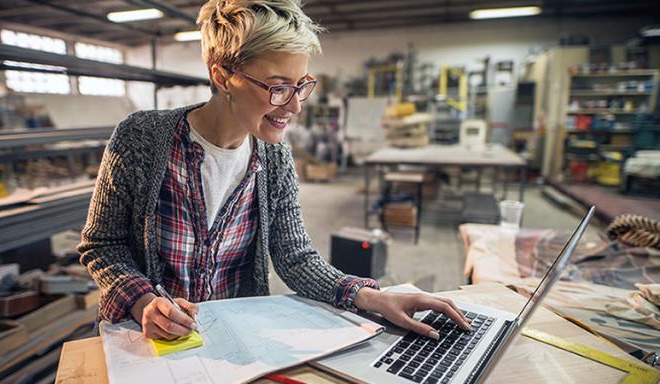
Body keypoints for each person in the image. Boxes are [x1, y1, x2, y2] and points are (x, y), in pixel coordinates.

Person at [78, 0, 469, 341]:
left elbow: (295, 256)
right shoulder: (142, 138)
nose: (295, 106)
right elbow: (102, 244)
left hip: (227, 342)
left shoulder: (275, 159)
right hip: (141, 344)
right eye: (278, 87)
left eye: (301, 86)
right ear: (222, 76)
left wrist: (372, 298)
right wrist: (143, 302)